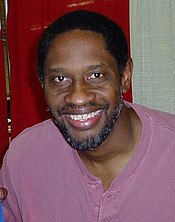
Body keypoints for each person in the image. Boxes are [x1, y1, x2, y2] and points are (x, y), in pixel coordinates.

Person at [0, 9, 175, 222]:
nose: (78, 97)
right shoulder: (23, 158)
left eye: (96, 75)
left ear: (125, 76)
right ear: (42, 84)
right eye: (60, 79)